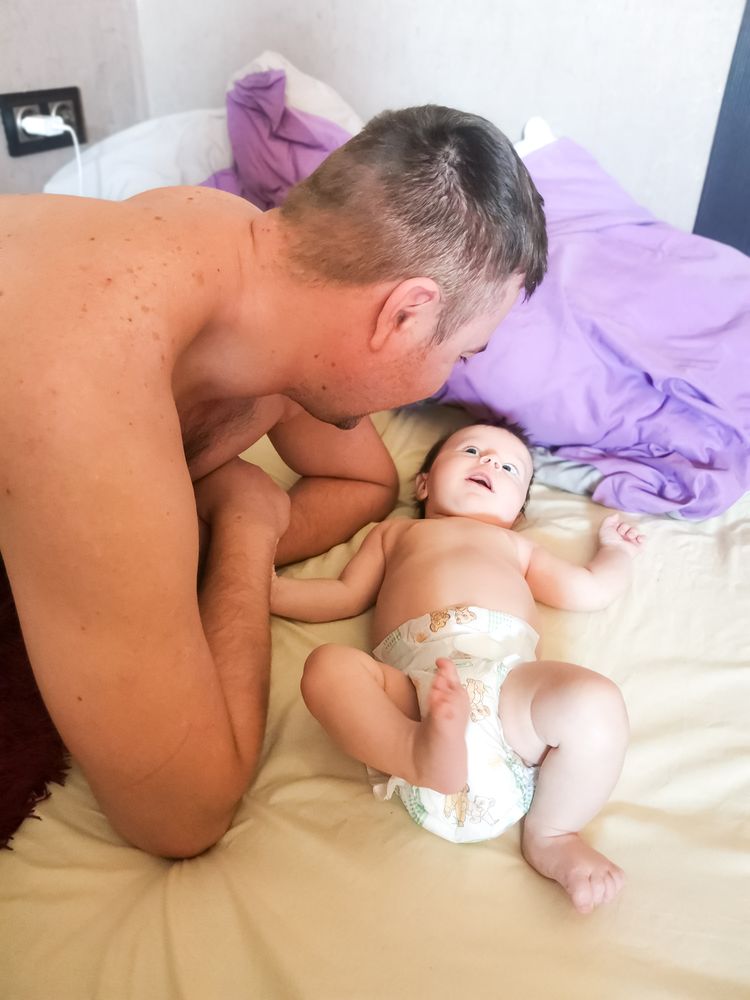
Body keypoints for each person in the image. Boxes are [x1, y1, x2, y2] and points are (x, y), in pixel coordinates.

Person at [0, 106, 547, 856]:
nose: (444, 381)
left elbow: (363, 480)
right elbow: (180, 815)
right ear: (405, 315)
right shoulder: (86, 389)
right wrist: (246, 527)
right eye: (460, 355)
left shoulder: (257, 271)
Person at [271, 421, 645, 913]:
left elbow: (589, 589)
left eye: (509, 467)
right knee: (327, 668)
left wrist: (617, 552)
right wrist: (268, 590)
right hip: (413, 695)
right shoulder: (395, 533)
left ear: (518, 513)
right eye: (470, 450)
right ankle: (412, 752)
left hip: (507, 691)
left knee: (594, 702)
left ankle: (554, 833)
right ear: (424, 484)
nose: (489, 462)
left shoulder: (516, 548)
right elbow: (343, 594)